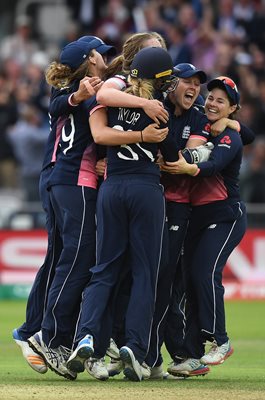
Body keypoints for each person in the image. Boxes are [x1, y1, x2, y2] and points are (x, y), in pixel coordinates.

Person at [66, 46, 179, 382]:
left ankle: (86, 335)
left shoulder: (110, 102)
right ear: (158, 80)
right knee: (145, 272)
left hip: (111, 188)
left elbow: (101, 134)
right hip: (145, 189)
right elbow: (171, 159)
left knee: (104, 270)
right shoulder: (159, 110)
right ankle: (134, 346)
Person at [14, 37, 115, 379]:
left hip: (60, 178)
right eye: (101, 52)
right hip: (75, 181)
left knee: (62, 257)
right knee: (78, 259)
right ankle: (50, 335)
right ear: (90, 58)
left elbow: (57, 105)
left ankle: (42, 332)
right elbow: (62, 105)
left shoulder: (73, 88)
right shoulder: (86, 89)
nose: (107, 56)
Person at [164, 76, 248, 376]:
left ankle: (221, 341)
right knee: (189, 283)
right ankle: (193, 355)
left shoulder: (229, 135)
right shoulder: (204, 124)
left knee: (203, 273)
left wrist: (190, 167)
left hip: (225, 216)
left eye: (220, 101)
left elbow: (215, 164)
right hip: (197, 218)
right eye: (210, 98)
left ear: (232, 108)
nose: (212, 103)